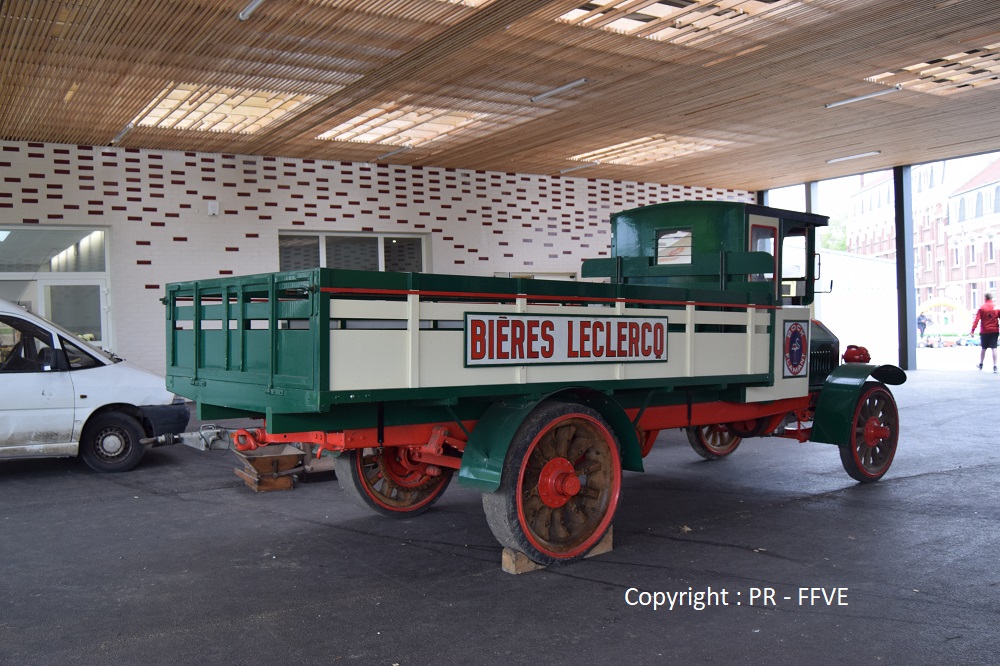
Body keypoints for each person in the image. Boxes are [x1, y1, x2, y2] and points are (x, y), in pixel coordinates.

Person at [970, 294, 1000, 372]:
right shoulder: (996, 307)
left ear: (985, 298)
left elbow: (976, 320)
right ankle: (995, 366)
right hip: (995, 330)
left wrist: (973, 330)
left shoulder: (982, 307)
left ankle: (981, 364)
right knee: (994, 348)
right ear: (991, 298)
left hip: (984, 331)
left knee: (983, 348)